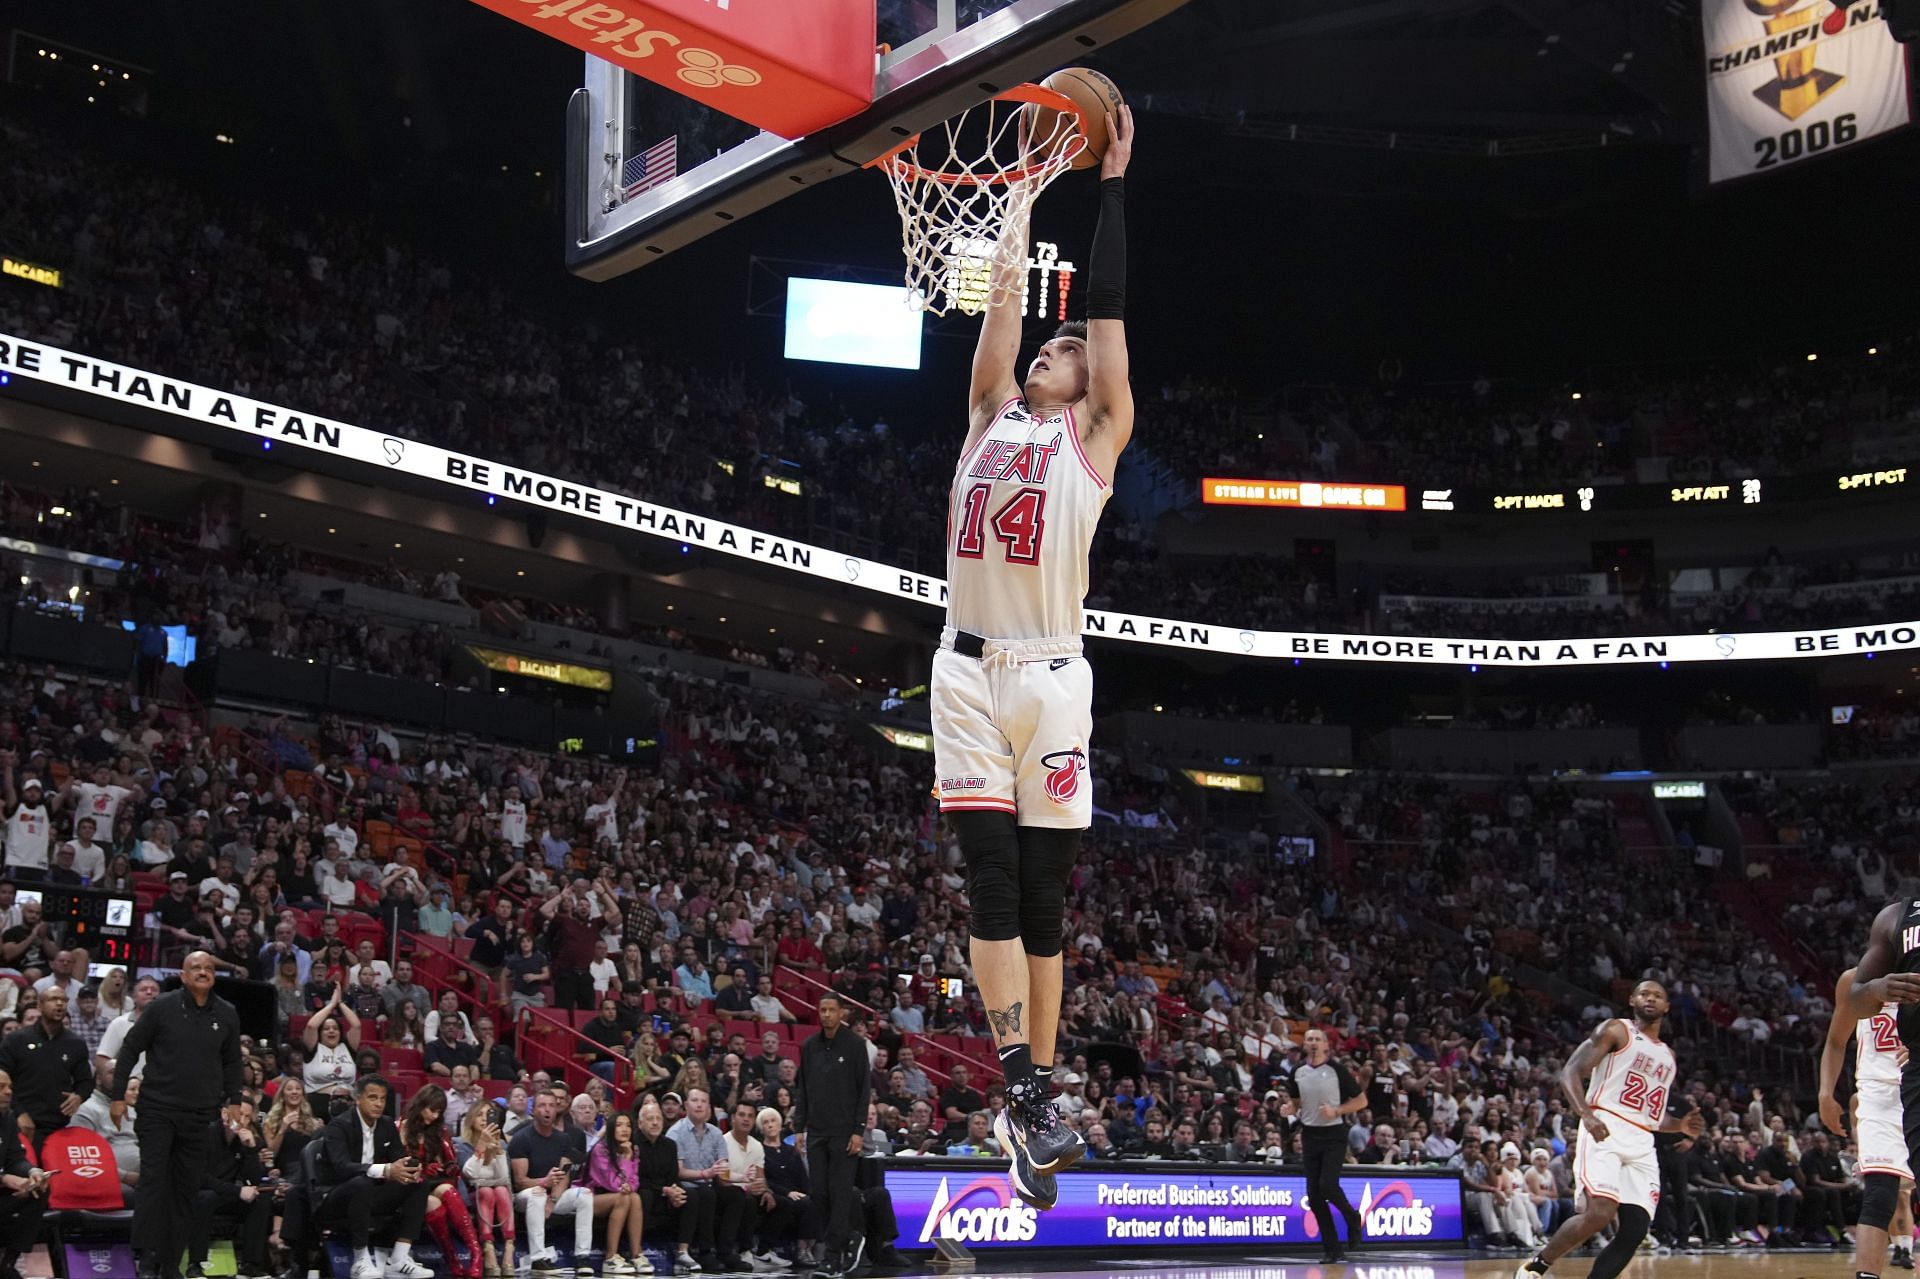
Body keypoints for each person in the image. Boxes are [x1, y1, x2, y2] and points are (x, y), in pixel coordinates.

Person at [932, 100, 1137, 1214]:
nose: (1054, 353)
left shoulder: (1096, 432)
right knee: (992, 882)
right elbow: (1006, 303)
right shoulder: (985, 415)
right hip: (965, 668)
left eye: (1067, 351)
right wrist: (1017, 189)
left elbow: (1101, 312)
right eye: (1049, 351)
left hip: (1054, 671)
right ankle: (1022, 1088)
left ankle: (1038, 1094)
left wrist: (1108, 180)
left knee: (1048, 902)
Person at [1517, 980, 1706, 1279]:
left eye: (1658, 996)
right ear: (1632, 999)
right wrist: (1586, 1114)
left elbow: (1652, 1116)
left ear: (1667, 1006)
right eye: (1644, 993)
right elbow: (1571, 1071)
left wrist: (1681, 1126)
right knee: (1600, 1212)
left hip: (1642, 1139)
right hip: (1605, 1126)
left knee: (1635, 1229)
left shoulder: (1668, 1057)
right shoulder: (1616, 1030)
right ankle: (1536, 1267)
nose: (1651, 999)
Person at [109, 951, 245, 1279]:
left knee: (186, 1190)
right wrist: (117, 1096)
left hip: (200, 1115)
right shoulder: (162, 1007)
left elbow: (232, 1062)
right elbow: (129, 1048)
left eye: (209, 968)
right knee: (154, 1182)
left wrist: (235, 1100)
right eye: (195, 968)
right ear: (182, 976)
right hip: (157, 1109)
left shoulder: (227, 1013)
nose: (203, 972)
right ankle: (145, 1258)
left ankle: (171, 1264)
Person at [1823, 964, 1918, 1277]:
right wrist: (1826, 1093)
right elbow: (1837, 1040)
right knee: (1879, 1192)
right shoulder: (1854, 979)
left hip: (1915, 1086)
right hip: (1878, 1097)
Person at [315, 1075, 433, 1279]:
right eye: (372, 1097)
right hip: (335, 1197)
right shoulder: (338, 1126)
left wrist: (410, 1169)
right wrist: (386, 1170)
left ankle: (399, 1258)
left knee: (418, 1184)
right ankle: (360, 1260)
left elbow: (398, 1159)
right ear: (358, 1098)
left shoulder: (387, 1125)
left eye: (383, 1098)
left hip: (370, 1194)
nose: (379, 1104)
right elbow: (341, 1168)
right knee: (362, 1183)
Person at [792, 994, 870, 1275]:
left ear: (841, 1013)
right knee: (818, 1193)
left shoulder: (856, 1045)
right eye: (822, 1009)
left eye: (831, 1010)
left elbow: (864, 1090)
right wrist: (799, 1127)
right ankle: (849, 1236)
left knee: (839, 1194)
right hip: (816, 1131)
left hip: (844, 1132)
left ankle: (832, 1255)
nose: (825, 1014)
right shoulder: (809, 1046)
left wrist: (858, 1130)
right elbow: (802, 1089)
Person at [1286, 1026, 1366, 1263]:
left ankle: (1352, 1218)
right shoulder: (1297, 1071)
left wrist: (1337, 1110)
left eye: (1317, 1039)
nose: (1312, 1042)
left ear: (1325, 1046)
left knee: (1328, 1185)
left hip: (1334, 1134)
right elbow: (1296, 1102)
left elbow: (1361, 1100)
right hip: (1309, 1135)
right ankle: (1332, 1249)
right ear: (1304, 1045)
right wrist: (1289, 1108)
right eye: (1308, 1039)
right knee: (1314, 1195)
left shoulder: (1336, 1070)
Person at [509, 1092, 594, 1276]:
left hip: (551, 1197)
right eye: (542, 1105)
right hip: (525, 1197)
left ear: (556, 1110)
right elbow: (519, 1181)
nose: (547, 1109)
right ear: (533, 1110)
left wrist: (553, 1200)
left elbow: (564, 1174)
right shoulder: (521, 1139)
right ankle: (538, 1259)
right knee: (537, 1193)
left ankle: (583, 1256)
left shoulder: (563, 1139)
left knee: (585, 1195)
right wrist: (543, 1182)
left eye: (551, 1105)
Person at [402, 1085, 481, 1279]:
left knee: (447, 1190)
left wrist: (445, 1167)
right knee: (434, 1203)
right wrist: (420, 1167)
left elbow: (445, 1164)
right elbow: (397, 1162)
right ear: (421, 1105)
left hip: (429, 1183)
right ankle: (452, 1259)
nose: (435, 1116)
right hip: (406, 1184)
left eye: (439, 1112)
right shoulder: (401, 1127)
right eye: (432, 1109)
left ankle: (476, 1253)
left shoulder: (437, 1132)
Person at [192, 1097, 276, 1279]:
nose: (243, 1121)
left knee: (261, 1198)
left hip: (226, 1195)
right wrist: (237, 1191)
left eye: (247, 1117)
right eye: (240, 1115)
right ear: (224, 1114)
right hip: (200, 1193)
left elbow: (253, 1179)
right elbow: (200, 1178)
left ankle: (251, 1264)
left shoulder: (246, 1140)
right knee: (207, 1197)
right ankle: (195, 1264)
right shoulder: (204, 1135)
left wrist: (251, 1149)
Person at [0, 986, 91, 1144]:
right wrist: (18, 1113)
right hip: (20, 1121)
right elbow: (2, 1079)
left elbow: (86, 1081)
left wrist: (79, 1096)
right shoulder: (16, 1040)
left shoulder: (76, 1043)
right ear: (40, 1006)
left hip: (59, 1125)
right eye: (53, 999)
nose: (59, 1004)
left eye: (63, 1000)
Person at [666, 1088, 740, 1272]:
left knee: (737, 1196)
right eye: (695, 1100)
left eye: (703, 1101)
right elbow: (678, 1171)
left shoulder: (715, 1133)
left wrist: (742, 1178)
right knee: (704, 1193)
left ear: (709, 1107)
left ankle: (726, 1250)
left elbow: (722, 1170)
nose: (699, 1105)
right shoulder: (676, 1133)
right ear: (686, 1105)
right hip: (685, 1184)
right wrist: (705, 1174)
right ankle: (705, 1251)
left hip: (710, 1183)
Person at [0, 1070, 52, 1279]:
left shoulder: (7, 1117)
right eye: (1, 1087)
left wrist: (33, 1171)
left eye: (10, 1087)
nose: (8, 1092)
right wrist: (4, 1178)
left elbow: (16, 1158)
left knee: (38, 1192)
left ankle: (9, 1262)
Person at [586, 1111, 653, 1275]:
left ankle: (636, 1254)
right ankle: (610, 1258)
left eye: (628, 1125)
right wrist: (626, 1158)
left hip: (619, 1196)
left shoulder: (633, 1149)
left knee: (635, 1197)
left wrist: (628, 1182)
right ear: (610, 1129)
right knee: (624, 1197)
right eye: (619, 1125)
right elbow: (612, 1183)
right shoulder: (600, 1150)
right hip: (592, 1198)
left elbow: (634, 1182)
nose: (625, 1129)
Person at [460, 1104, 517, 1279]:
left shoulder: (501, 1144)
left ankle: (509, 1247)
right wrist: (482, 1148)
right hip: (472, 1195)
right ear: (471, 1119)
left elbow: (504, 1179)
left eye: (489, 1114)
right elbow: (470, 1176)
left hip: (499, 1194)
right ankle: (488, 1246)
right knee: (486, 1191)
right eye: (480, 1115)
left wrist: (498, 1153)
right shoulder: (461, 1144)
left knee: (500, 1190)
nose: (485, 1119)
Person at [73, 1061, 140, 1206]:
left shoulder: (131, 1108)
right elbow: (81, 1159)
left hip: (147, 1171)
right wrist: (126, 1176)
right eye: (112, 1072)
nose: (118, 1077)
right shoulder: (85, 1110)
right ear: (98, 1079)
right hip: (113, 1177)